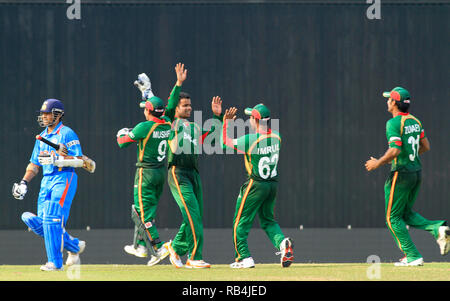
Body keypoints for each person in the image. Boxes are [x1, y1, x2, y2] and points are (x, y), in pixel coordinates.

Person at [365, 86, 450, 266]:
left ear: (394, 103)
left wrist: (378, 162)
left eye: (389, 99)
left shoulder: (393, 123)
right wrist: (402, 157)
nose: (387, 102)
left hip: (401, 175)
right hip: (415, 173)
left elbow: (395, 149)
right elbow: (425, 146)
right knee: (406, 214)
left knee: (392, 218)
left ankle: (412, 255)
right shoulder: (415, 121)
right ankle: (437, 228)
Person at [116, 63, 187, 266]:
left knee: (140, 212)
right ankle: (139, 246)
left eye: (145, 110)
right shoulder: (166, 122)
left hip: (145, 173)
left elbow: (122, 142)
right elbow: (171, 105)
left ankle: (158, 247)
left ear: (148, 112)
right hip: (159, 173)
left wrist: (121, 133)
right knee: (148, 210)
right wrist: (177, 84)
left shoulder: (144, 126)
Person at [12, 98, 86, 271]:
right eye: (43, 113)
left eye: (47, 113)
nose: (44, 116)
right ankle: (74, 246)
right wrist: (24, 182)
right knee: (37, 221)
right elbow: (34, 164)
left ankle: (54, 262)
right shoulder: (42, 137)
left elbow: (80, 161)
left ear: (58, 115)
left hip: (64, 178)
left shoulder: (67, 133)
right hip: (46, 180)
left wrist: (58, 159)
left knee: (52, 216)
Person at [221, 104, 293, 268]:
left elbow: (224, 143)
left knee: (240, 222)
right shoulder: (277, 136)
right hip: (272, 184)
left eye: (250, 118)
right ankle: (283, 243)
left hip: (256, 184)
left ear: (255, 119)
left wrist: (227, 123)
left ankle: (243, 258)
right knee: (268, 220)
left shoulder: (250, 139)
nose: (249, 120)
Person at [163, 86, 224, 269]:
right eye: (184, 106)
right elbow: (169, 105)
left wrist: (217, 117)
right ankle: (194, 257)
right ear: (176, 108)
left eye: (190, 105)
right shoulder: (170, 124)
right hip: (178, 172)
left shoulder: (195, 127)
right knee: (193, 215)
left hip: (193, 174)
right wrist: (178, 83)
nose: (189, 108)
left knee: (194, 215)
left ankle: (174, 247)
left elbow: (212, 138)